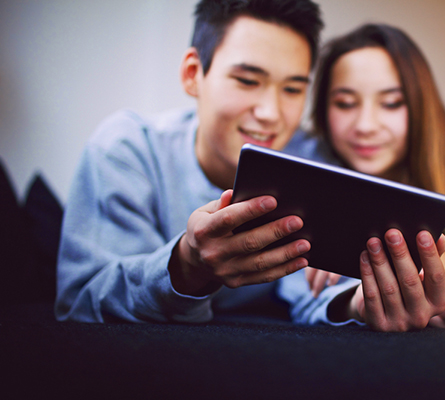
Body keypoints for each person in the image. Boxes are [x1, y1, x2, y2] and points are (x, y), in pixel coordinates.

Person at [55, 0, 327, 323]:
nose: (270, 113)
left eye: (293, 89)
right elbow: (80, 301)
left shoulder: (316, 165)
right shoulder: (127, 148)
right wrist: (186, 265)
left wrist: (355, 304)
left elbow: (321, 292)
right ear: (192, 74)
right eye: (247, 81)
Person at [280, 23, 445, 331]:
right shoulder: (310, 166)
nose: (366, 125)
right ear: (324, 112)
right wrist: (354, 301)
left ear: (420, 105)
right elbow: (302, 295)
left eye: (392, 103)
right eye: (345, 103)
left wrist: (425, 261)